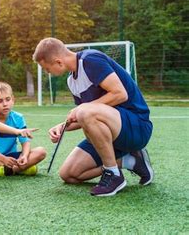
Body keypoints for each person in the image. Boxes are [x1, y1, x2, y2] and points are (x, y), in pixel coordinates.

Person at [33, 37, 154, 197]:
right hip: (110, 132)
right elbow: (85, 118)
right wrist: (62, 127)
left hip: (136, 127)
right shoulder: (72, 81)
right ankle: (131, 161)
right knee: (69, 174)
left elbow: (120, 94)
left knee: (84, 111)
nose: (49, 73)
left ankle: (114, 175)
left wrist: (82, 109)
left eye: (48, 69)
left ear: (59, 62)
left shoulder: (91, 60)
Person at [0, 82, 47, 177]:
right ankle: (20, 169)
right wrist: (3, 159)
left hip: (12, 157)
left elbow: (25, 141)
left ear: (13, 100)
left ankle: (1, 170)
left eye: (8, 99)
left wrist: (24, 156)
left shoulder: (18, 118)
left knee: (41, 151)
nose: (5, 104)